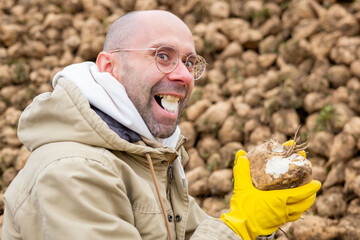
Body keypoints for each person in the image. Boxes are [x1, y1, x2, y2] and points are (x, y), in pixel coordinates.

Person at [2, 10, 321, 240]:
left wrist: (256, 221)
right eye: (163, 56)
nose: (183, 75)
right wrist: (238, 226)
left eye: (189, 62)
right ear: (109, 67)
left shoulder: (146, 154)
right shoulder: (73, 170)